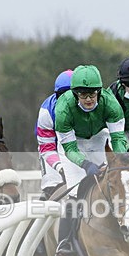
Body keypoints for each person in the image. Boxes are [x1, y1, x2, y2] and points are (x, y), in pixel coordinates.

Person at [52, 64, 128, 256]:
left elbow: (118, 138)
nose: (88, 99)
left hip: (99, 139)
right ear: (75, 93)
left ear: (99, 91)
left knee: (120, 181)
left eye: (92, 94)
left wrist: (119, 160)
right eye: (83, 95)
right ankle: (65, 241)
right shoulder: (62, 109)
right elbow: (70, 150)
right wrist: (86, 165)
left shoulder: (111, 103)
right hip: (73, 145)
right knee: (75, 192)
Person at [35, 69, 73, 199]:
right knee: (51, 186)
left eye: (71, 95)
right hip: (52, 148)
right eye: (62, 95)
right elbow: (47, 148)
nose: (67, 100)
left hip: (78, 148)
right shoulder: (46, 111)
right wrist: (61, 167)